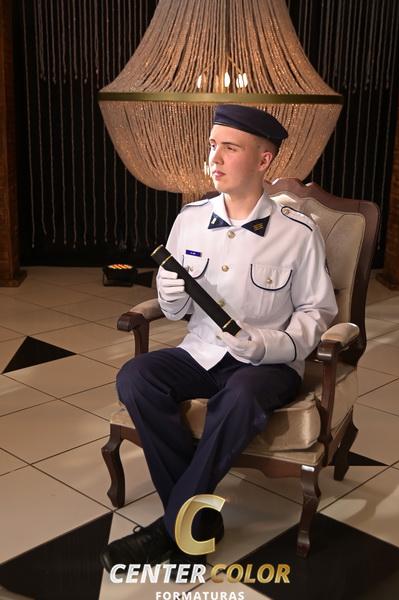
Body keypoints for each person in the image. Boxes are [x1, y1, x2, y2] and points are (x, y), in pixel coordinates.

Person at [100, 104, 337, 574]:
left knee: (242, 394)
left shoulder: (298, 233)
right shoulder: (189, 220)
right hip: (202, 351)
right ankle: (196, 521)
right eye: (213, 145)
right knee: (136, 378)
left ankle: (169, 530)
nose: (215, 157)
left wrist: (267, 345)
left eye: (230, 147)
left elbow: (318, 313)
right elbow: (177, 309)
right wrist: (169, 298)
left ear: (264, 160)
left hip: (267, 365)